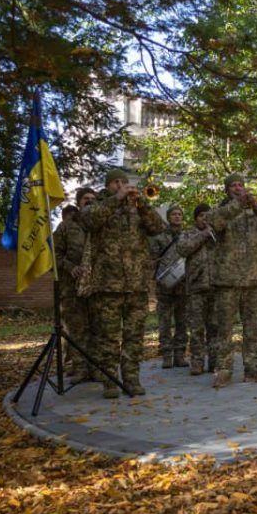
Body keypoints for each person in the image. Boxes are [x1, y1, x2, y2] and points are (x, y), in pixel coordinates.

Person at [80, 169, 166, 397]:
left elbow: (158, 228)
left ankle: (131, 379)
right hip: (108, 285)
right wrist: (116, 199)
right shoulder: (97, 205)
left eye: (124, 182)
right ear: (108, 186)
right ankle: (110, 381)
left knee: (134, 336)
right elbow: (90, 221)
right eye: (116, 182)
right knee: (108, 337)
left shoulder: (136, 208)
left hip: (137, 284)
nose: (121, 185)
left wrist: (142, 204)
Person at [207, 174, 257, 387]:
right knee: (224, 329)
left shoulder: (254, 212)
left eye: (241, 185)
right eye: (233, 185)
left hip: (253, 278)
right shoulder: (220, 210)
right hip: (227, 279)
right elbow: (215, 223)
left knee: (253, 328)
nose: (238, 188)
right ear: (226, 189)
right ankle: (223, 370)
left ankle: (254, 369)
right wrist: (237, 205)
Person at [53, 186, 96, 380]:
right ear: (78, 202)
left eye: (93, 198)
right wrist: (70, 267)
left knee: (98, 329)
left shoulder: (101, 226)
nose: (89, 201)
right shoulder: (66, 227)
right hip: (72, 287)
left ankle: (96, 368)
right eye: (86, 198)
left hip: (97, 287)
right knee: (77, 329)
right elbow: (54, 255)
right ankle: (79, 368)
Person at [176, 204, 217, 375]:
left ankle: (215, 362)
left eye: (207, 215)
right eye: (201, 216)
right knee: (196, 328)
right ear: (195, 219)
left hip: (215, 287)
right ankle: (197, 362)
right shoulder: (188, 233)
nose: (204, 219)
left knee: (215, 327)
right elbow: (182, 249)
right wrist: (202, 235)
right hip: (196, 288)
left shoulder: (217, 233)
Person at [151, 205, 188, 369]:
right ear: (168, 217)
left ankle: (180, 354)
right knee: (164, 321)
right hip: (164, 286)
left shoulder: (187, 236)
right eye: (174, 214)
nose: (177, 217)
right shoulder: (159, 237)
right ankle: (166, 355)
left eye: (179, 214)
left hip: (183, 285)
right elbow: (152, 260)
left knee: (182, 321)